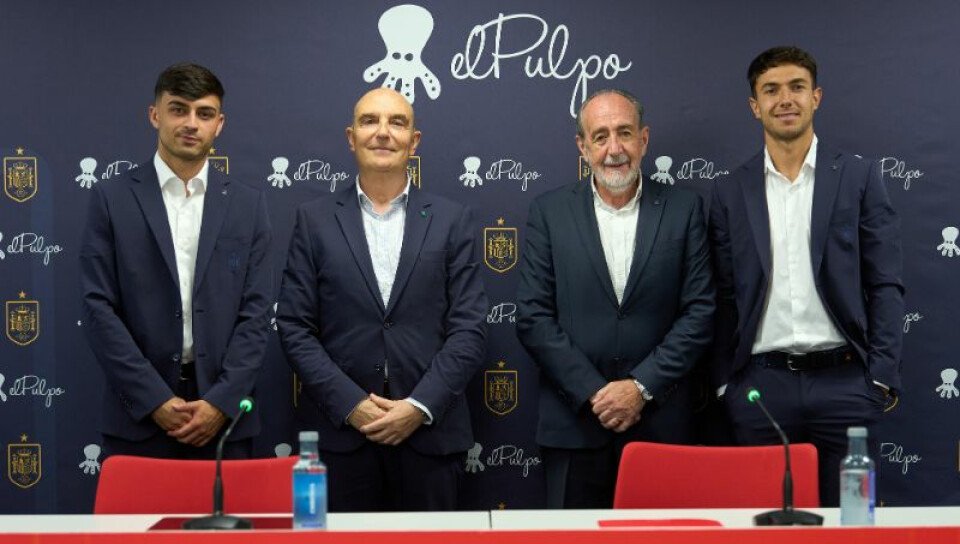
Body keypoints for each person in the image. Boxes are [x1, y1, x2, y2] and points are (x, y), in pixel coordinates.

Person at [708, 46, 903, 506]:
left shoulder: (859, 178)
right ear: (755, 106)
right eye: (771, 90)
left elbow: (885, 283)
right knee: (766, 525)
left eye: (797, 87)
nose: (785, 99)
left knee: (853, 523)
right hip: (761, 390)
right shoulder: (730, 190)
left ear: (816, 97)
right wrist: (725, 383)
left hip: (846, 385)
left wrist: (879, 377)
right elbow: (721, 294)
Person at [276, 88, 487, 511]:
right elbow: (295, 327)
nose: (383, 132)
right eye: (370, 121)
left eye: (397, 122)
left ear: (415, 140)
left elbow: (470, 329)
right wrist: (352, 405)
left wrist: (419, 406)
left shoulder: (452, 220)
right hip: (341, 439)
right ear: (351, 137)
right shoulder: (313, 220)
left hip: (430, 437)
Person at [516, 89, 715, 508]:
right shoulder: (549, 212)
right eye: (600, 136)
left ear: (643, 139)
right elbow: (533, 316)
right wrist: (595, 392)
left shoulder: (685, 209)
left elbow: (700, 312)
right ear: (582, 146)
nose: (614, 149)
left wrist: (640, 387)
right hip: (574, 425)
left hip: (661, 425)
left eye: (624, 133)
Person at [80, 63, 273, 459]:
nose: (191, 123)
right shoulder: (111, 198)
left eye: (204, 113)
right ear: (155, 115)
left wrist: (221, 402)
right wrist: (153, 399)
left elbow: (256, 313)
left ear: (219, 124)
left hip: (225, 421)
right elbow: (98, 308)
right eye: (178, 109)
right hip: (138, 418)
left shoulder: (248, 204)